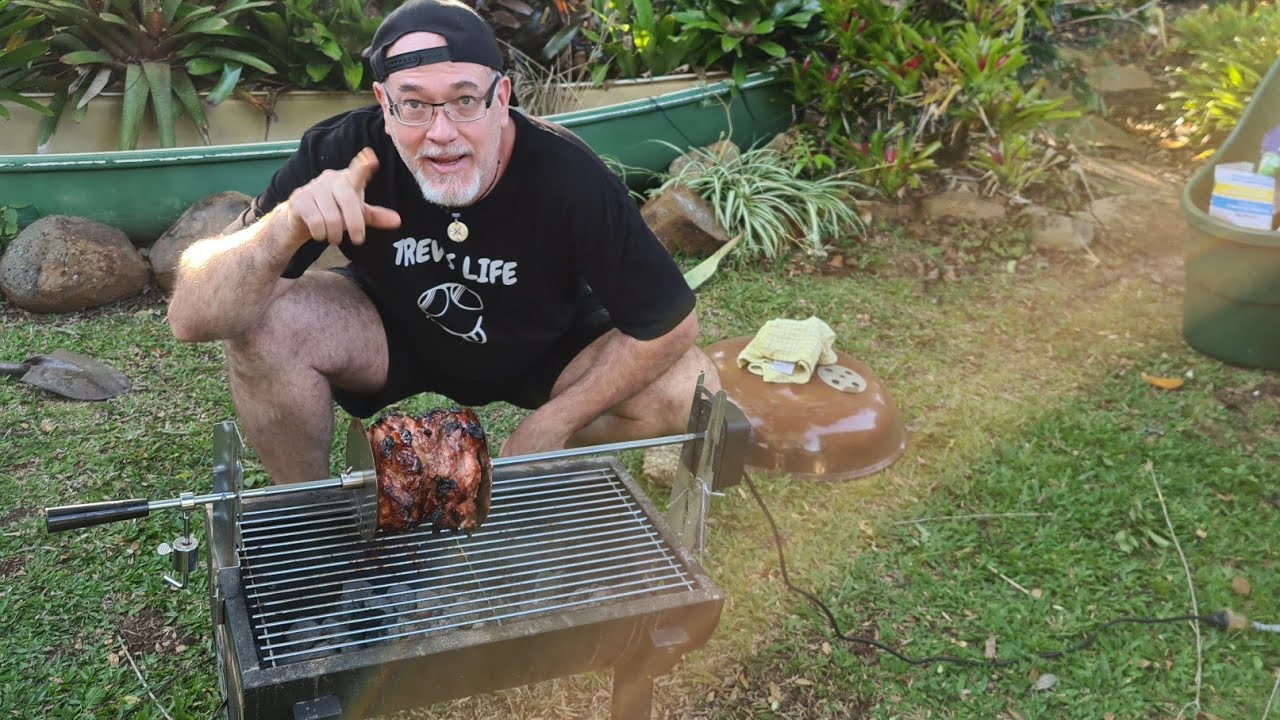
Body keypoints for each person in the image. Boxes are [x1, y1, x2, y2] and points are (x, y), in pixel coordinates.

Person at [167, 0, 719, 484]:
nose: (441, 132)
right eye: (414, 104)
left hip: (547, 344)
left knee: (688, 385)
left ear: (501, 96)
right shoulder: (341, 151)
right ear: (384, 104)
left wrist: (552, 422)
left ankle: (545, 484)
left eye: (464, 100)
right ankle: (310, 511)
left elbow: (670, 323)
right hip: (394, 330)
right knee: (261, 322)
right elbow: (190, 320)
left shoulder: (566, 173)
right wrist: (283, 227)